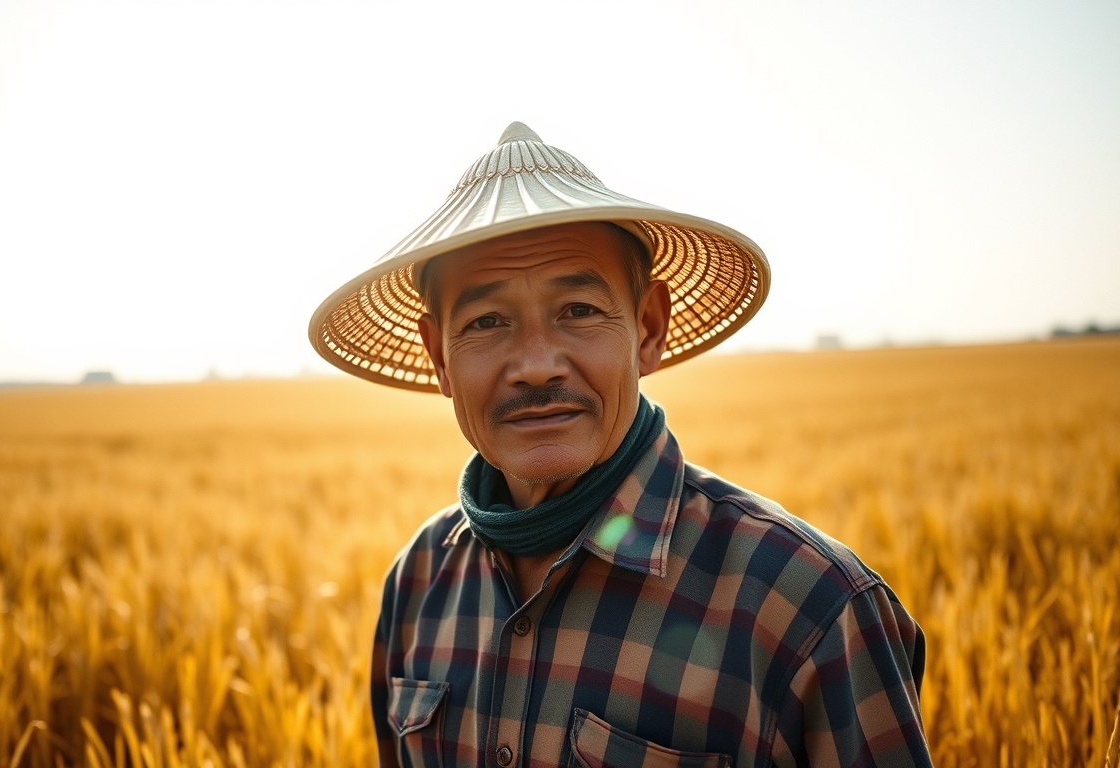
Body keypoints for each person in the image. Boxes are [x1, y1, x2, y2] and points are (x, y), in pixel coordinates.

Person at [308, 123, 932, 768]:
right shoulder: (418, 581)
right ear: (439, 356)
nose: (536, 364)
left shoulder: (809, 607)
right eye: (486, 321)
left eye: (578, 309)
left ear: (648, 328)